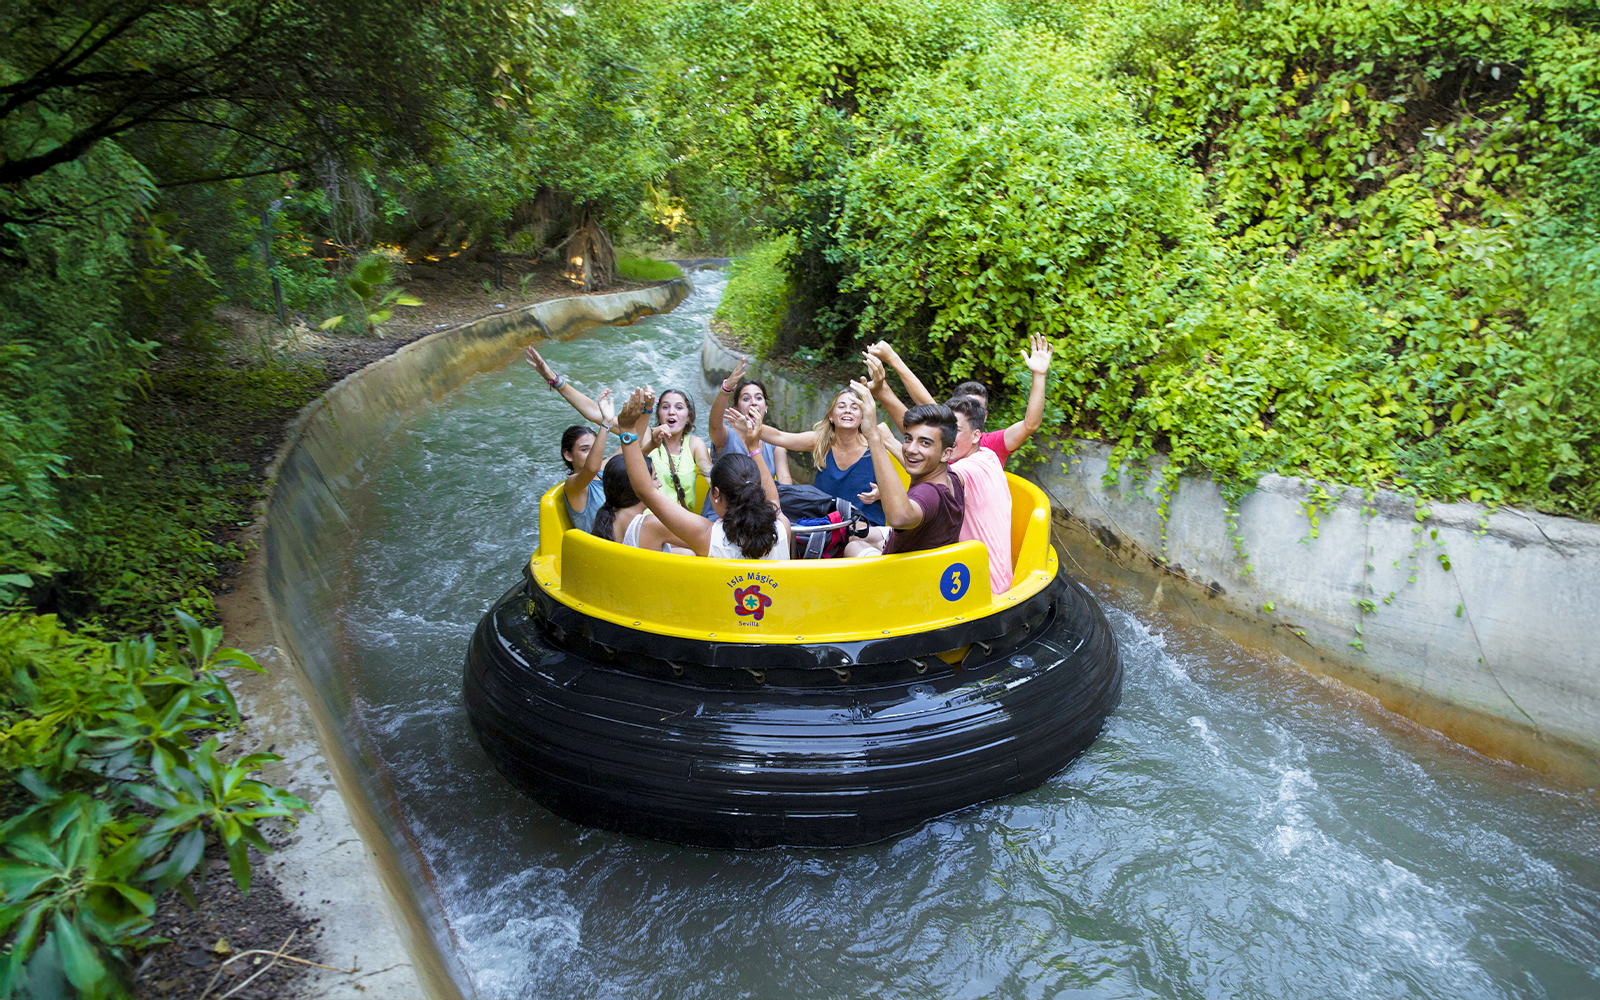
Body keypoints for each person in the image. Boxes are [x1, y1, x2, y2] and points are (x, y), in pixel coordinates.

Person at [525, 344, 710, 510]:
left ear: (688, 416)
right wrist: (556, 381)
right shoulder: (643, 435)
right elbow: (593, 412)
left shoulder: (694, 444)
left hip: (683, 524)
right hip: (648, 522)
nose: (671, 412)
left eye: (679, 407)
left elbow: (709, 474)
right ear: (658, 413)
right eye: (665, 407)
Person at [618, 387, 791, 560]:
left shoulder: (709, 538)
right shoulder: (782, 528)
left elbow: (645, 490)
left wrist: (627, 430)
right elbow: (773, 501)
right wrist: (754, 448)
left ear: (716, 493)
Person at [866, 333, 1053, 466]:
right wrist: (889, 369)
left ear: (984, 416)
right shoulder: (944, 436)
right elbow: (928, 407)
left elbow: (1030, 425)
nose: (967, 411)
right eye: (960, 409)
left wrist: (1039, 375)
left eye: (974, 408)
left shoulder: (988, 447)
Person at [841, 383, 964, 557]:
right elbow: (915, 458)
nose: (911, 449)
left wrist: (873, 437)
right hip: (929, 562)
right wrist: (890, 441)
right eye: (908, 438)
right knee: (858, 534)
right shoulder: (951, 476)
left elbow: (899, 517)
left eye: (925, 443)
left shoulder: (929, 493)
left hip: (906, 577)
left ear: (946, 453)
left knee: (852, 547)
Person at [753, 387, 885, 525]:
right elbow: (780, 436)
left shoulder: (875, 447)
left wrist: (882, 493)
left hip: (865, 528)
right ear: (831, 416)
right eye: (841, 406)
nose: (848, 410)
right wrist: (749, 423)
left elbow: (900, 494)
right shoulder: (821, 442)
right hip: (825, 526)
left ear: (863, 417)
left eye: (854, 407)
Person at [943, 395, 1013, 593]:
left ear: (975, 436)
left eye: (954, 430)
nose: (946, 437)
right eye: (944, 429)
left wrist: (885, 441)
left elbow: (936, 483)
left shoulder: (968, 469)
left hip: (985, 590)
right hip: (992, 579)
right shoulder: (988, 455)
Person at [592, 452, 689, 552]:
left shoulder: (606, 518)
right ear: (638, 486)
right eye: (655, 478)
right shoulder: (652, 524)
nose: (659, 484)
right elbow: (703, 543)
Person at [555, 389, 613, 534]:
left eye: (595, 448)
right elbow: (590, 469)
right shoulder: (573, 485)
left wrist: (646, 409)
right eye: (585, 449)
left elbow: (634, 447)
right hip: (599, 550)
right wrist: (605, 423)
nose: (594, 453)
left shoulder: (602, 470)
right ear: (568, 456)